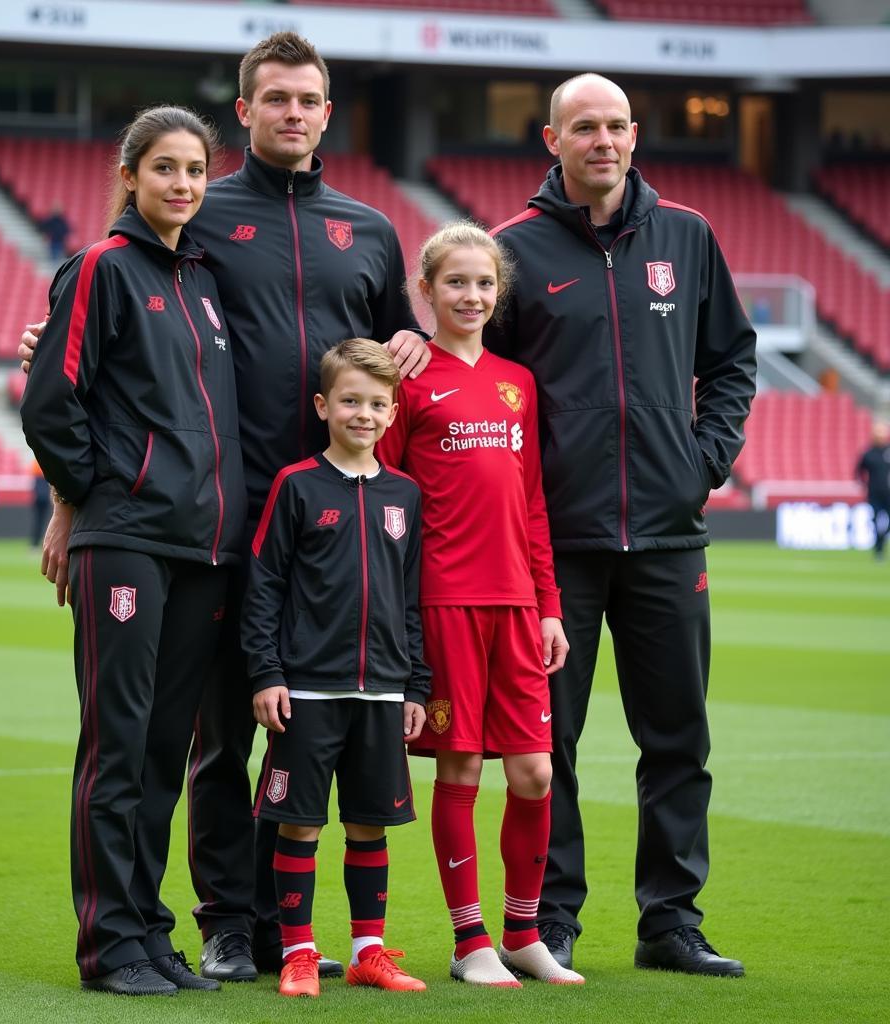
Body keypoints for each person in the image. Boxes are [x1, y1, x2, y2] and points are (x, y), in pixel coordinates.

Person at [19, 32, 430, 982]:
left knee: (299, 730)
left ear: (329, 111)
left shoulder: (367, 230)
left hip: (324, 528)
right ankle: (225, 926)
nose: (294, 112)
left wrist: (413, 336)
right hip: (203, 525)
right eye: (275, 98)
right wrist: (73, 500)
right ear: (245, 110)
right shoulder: (196, 223)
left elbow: (382, 358)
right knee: (212, 738)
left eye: (310, 99)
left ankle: (282, 931)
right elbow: (80, 352)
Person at [485, 73, 756, 977]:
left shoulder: (688, 235)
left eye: (614, 125)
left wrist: (701, 463)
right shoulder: (512, 251)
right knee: (547, 742)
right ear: (551, 140)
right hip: (555, 546)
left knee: (678, 736)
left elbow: (731, 363)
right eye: (582, 127)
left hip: (670, 538)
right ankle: (549, 921)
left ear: (635, 136)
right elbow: (490, 390)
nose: (601, 139)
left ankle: (670, 922)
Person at [19, 105, 246, 996]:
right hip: (128, 541)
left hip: (201, 548)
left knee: (162, 750)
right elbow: (50, 401)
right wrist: (99, 491)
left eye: (195, 170)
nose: (183, 185)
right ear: (130, 175)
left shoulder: (202, 279)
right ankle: (107, 944)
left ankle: (147, 932)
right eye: (165, 169)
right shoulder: (101, 269)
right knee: (117, 746)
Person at [378, 223, 583, 988]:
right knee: (460, 769)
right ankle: (471, 945)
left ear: (500, 294)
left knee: (534, 773)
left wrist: (550, 606)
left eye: (484, 284)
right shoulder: (406, 378)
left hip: (519, 607)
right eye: (456, 283)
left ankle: (525, 933)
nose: (472, 296)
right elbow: (388, 500)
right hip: (443, 605)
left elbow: (532, 503)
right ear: (423, 292)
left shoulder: (516, 382)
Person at [244, 338, 429, 998]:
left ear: (392, 409)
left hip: (382, 690)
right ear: (324, 405)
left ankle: (368, 952)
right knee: (299, 822)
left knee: (368, 823)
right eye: (351, 400)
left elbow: (411, 596)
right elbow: (264, 585)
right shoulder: (296, 486)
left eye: (378, 403)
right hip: (307, 690)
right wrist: (266, 674)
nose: (364, 414)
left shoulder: (405, 495)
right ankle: (298, 953)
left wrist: (415, 685)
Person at [856, 420, 890, 560]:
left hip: (889, 493)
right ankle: (878, 549)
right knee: (875, 520)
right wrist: (864, 485)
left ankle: (882, 539)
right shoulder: (868, 453)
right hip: (874, 494)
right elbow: (858, 471)